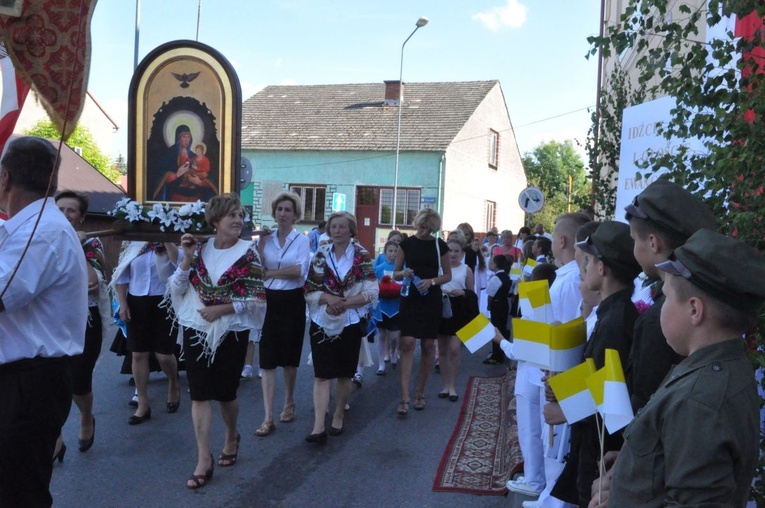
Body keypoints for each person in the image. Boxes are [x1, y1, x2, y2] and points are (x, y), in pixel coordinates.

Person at [599, 229, 765, 506]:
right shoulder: (710, 366)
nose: (661, 308)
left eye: (665, 297)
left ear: (694, 310)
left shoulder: (700, 400)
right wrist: (635, 463)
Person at [0, 136, 88, 506]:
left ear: (4, 178)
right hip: (25, 379)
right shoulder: (28, 227)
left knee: (18, 494)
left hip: (27, 382)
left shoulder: (40, 232)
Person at [167, 193, 266, 488]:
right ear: (215, 221)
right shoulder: (199, 250)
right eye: (232, 215)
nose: (238, 220)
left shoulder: (249, 253)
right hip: (196, 328)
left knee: (225, 394)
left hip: (231, 330)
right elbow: (177, 288)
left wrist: (222, 308)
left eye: (240, 215)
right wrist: (185, 258)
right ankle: (203, 459)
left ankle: (232, 435)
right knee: (199, 393)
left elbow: (257, 298)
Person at [545, 221, 642, 506]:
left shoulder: (616, 320)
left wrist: (564, 409)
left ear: (601, 268)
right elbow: (596, 373)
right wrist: (562, 388)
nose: (582, 269)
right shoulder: (612, 312)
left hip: (599, 441)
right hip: (591, 438)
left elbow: (611, 390)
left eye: (586, 261)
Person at [624, 179, 716, 413]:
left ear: (653, 243)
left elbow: (644, 402)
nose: (634, 248)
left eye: (635, 240)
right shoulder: (702, 300)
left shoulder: (662, 317)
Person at [303, 211, 378, 443]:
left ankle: (337, 415)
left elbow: (373, 291)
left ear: (351, 230)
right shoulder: (320, 254)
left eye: (341, 227)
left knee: (345, 374)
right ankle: (318, 427)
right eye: (333, 226)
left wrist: (344, 302)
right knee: (322, 374)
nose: (336, 230)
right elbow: (309, 289)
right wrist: (328, 299)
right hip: (322, 320)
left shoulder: (362, 256)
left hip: (351, 321)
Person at [55, 190, 111, 454]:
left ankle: (87, 417)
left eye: (71, 211)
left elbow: (91, 283)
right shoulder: (46, 240)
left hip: (84, 321)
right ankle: (55, 438)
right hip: (51, 322)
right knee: (53, 381)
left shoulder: (91, 243)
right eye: (60, 210)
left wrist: (76, 245)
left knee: (78, 381)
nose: (65, 215)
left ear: (81, 217)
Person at [254, 191, 310, 437]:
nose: (283, 214)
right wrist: (262, 245)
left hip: (291, 300)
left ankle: (288, 401)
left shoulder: (302, 241)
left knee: (288, 358)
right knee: (266, 359)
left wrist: (271, 273)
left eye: (288, 210)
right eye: (279, 209)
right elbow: (256, 267)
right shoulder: (265, 238)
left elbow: (299, 271)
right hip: (268, 301)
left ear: (295, 216)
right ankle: (267, 417)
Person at [112, 239, 181, 424]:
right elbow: (122, 274)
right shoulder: (133, 244)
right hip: (137, 302)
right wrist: (123, 303)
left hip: (165, 302)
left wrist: (166, 241)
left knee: (164, 355)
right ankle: (143, 403)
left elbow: (180, 264)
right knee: (138, 354)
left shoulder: (172, 241)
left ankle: (173, 383)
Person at [393, 208, 451, 416]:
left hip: (431, 298)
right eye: (421, 225)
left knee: (428, 345)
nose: (424, 230)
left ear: (434, 227)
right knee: (407, 343)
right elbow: (395, 274)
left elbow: (448, 275)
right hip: (411, 298)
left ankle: (420, 391)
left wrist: (432, 281)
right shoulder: (406, 244)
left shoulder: (439, 245)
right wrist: (404, 273)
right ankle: (404, 395)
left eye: (428, 227)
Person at [436, 237, 475, 401]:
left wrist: (463, 292)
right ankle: (445, 385)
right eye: (449, 250)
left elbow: (472, 294)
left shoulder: (466, 270)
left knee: (454, 349)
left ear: (462, 253)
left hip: (459, 310)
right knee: (443, 350)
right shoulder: (439, 269)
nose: (452, 254)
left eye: (456, 251)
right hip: (441, 308)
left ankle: (453, 386)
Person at [374, 240, 402, 375]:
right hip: (382, 306)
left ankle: (392, 351)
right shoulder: (378, 269)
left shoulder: (401, 269)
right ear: (385, 253)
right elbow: (371, 285)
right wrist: (378, 285)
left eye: (395, 251)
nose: (393, 254)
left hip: (396, 306)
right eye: (390, 251)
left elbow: (407, 284)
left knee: (395, 337)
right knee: (381, 335)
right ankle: (380, 365)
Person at [484, 253, 512, 365]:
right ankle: (501, 351)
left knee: (495, 329)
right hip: (504, 303)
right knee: (502, 327)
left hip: (496, 304)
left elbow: (490, 294)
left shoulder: (496, 278)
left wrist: (488, 306)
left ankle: (496, 355)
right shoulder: (507, 277)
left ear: (495, 265)